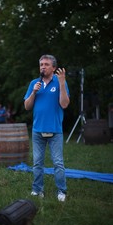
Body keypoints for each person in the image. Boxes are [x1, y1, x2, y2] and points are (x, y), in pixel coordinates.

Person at [24, 54, 70, 202]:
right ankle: (37, 190)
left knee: (58, 163)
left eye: (46, 64)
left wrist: (62, 84)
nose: (43, 66)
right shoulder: (33, 83)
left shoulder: (60, 82)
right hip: (37, 130)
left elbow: (64, 104)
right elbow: (27, 106)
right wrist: (34, 92)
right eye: (41, 64)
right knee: (37, 162)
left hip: (55, 130)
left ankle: (61, 191)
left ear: (54, 67)